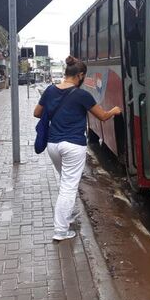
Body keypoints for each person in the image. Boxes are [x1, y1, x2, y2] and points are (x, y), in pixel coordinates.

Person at [33, 56, 122, 241]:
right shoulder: (82, 95)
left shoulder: (50, 90)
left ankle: (69, 215)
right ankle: (60, 231)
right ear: (80, 75)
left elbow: (37, 113)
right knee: (68, 187)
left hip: (53, 145)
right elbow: (103, 116)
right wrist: (114, 110)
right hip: (73, 145)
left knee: (66, 182)